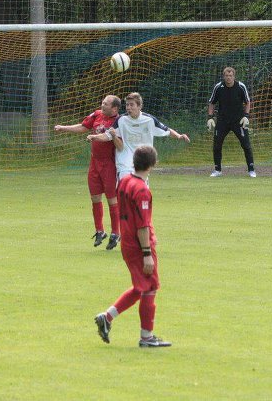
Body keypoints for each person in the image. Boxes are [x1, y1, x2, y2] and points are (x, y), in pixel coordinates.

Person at [94, 145, 171, 348]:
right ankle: (146, 337)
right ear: (152, 165)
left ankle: (107, 317)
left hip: (127, 242)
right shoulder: (142, 190)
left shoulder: (125, 181)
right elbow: (143, 226)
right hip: (139, 245)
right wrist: (147, 253)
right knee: (150, 287)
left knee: (141, 287)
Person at [55, 95, 122, 249]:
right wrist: (63, 128)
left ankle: (115, 233)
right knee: (95, 197)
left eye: (106, 103)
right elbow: (83, 127)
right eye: (102, 102)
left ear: (114, 108)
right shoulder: (97, 114)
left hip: (110, 164)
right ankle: (100, 230)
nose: (102, 104)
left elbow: (106, 137)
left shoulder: (119, 121)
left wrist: (94, 137)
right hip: (94, 163)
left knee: (112, 199)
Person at [87, 92, 190, 179]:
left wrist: (179, 136)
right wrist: (94, 137)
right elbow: (108, 135)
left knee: (140, 197)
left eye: (132, 105)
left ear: (139, 106)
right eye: (127, 105)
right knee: (125, 195)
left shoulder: (149, 120)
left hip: (143, 163)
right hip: (125, 164)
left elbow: (167, 130)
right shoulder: (121, 120)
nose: (128, 108)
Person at [207, 67, 256, 178]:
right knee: (217, 145)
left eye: (231, 75)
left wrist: (246, 116)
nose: (229, 78)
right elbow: (211, 102)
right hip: (222, 121)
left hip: (238, 121)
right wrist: (210, 117)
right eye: (226, 75)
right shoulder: (218, 87)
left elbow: (248, 102)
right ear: (224, 76)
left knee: (246, 145)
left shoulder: (240, 86)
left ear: (234, 76)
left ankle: (251, 169)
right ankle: (217, 170)